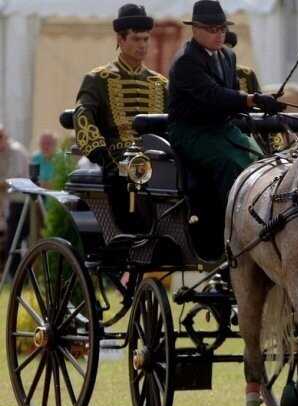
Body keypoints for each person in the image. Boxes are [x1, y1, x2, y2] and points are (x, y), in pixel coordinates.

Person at [167, 0, 285, 258]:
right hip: (191, 132)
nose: (219, 33)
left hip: (222, 128)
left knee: (261, 161)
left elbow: (229, 99)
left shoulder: (228, 56)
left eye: (222, 28)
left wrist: (261, 107)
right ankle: (234, 233)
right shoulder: (186, 61)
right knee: (231, 164)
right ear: (195, 30)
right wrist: (253, 99)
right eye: (212, 29)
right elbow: (214, 94)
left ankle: (264, 221)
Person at [72, 4, 168, 231]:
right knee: (125, 176)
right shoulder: (98, 78)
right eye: (136, 39)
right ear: (120, 39)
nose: (143, 45)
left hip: (158, 156)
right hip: (116, 157)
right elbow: (83, 113)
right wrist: (99, 152)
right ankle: (131, 236)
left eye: (146, 39)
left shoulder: (160, 83)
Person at [0, 124, 30, 276]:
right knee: (15, 242)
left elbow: (13, 178)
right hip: (11, 203)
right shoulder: (3, 151)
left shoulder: (15, 151)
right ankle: (16, 276)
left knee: (16, 241)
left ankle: (19, 276)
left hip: (23, 202)